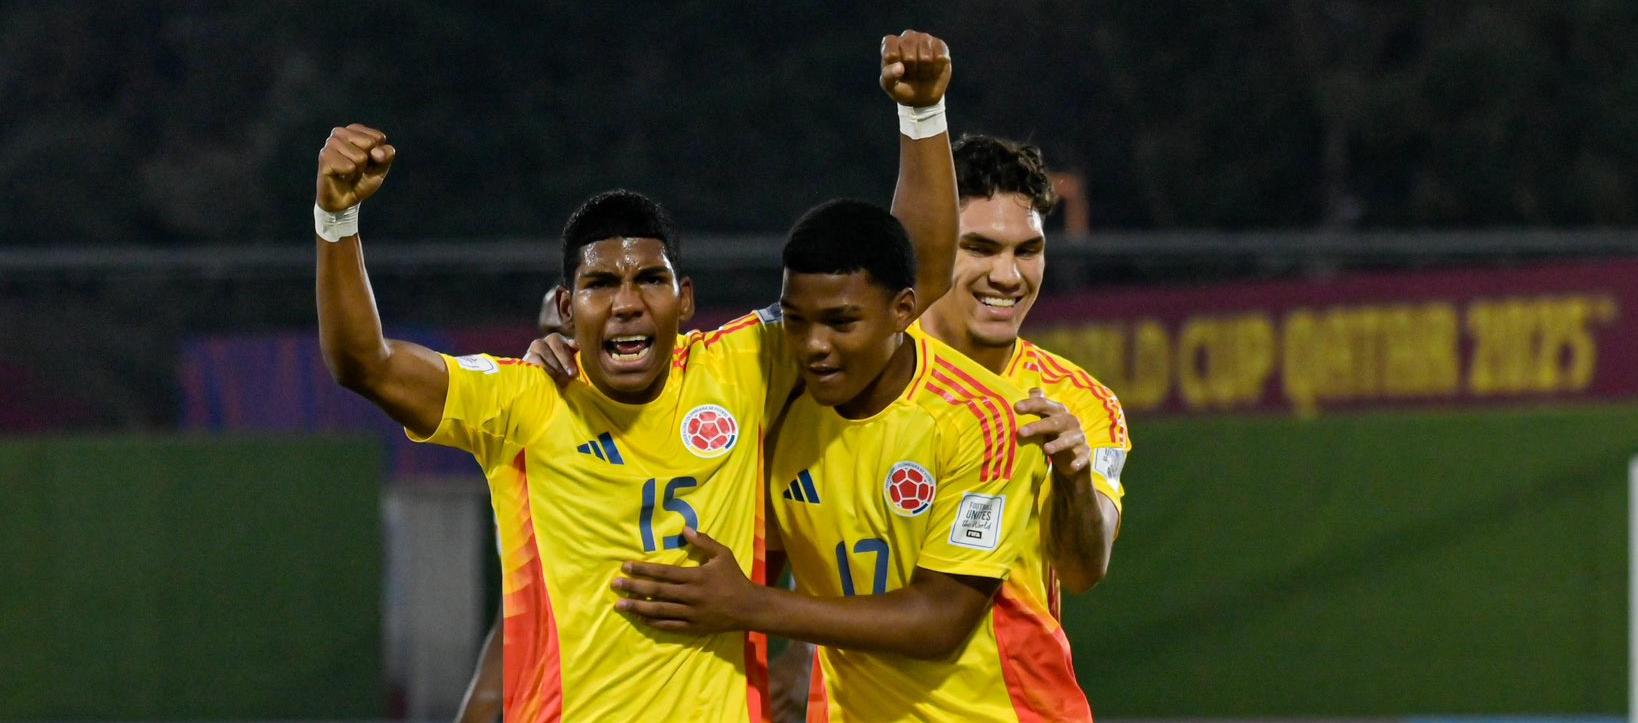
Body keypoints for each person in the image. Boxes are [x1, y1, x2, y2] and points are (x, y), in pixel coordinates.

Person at [313, 29, 958, 721]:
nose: (626, 301)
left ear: (684, 299)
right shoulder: (522, 400)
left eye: (650, 278)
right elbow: (365, 362)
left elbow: (905, 276)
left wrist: (922, 115)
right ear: (566, 307)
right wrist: (336, 220)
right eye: (600, 284)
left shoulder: (741, 365)